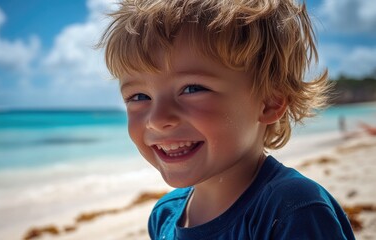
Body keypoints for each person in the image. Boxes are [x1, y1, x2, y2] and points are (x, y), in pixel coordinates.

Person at [99, 0, 355, 239]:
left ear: (269, 102)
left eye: (192, 89)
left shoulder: (292, 209)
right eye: (139, 96)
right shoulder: (163, 215)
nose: (157, 119)